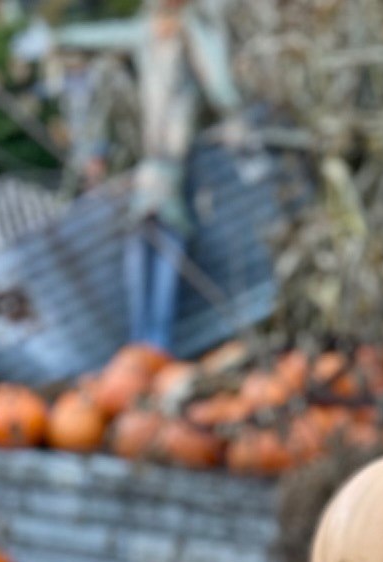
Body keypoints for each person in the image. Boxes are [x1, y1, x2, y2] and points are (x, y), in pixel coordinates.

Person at [53, 0, 245, 350]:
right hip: (151, 165)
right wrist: (59, 34)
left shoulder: (192, 36)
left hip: (179, 165)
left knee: (165, 234)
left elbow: (222, 89)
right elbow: (105, 36)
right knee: (144, 237)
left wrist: (193, 33)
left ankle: (156, 343)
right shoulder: (145, 37)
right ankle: (145, 343)